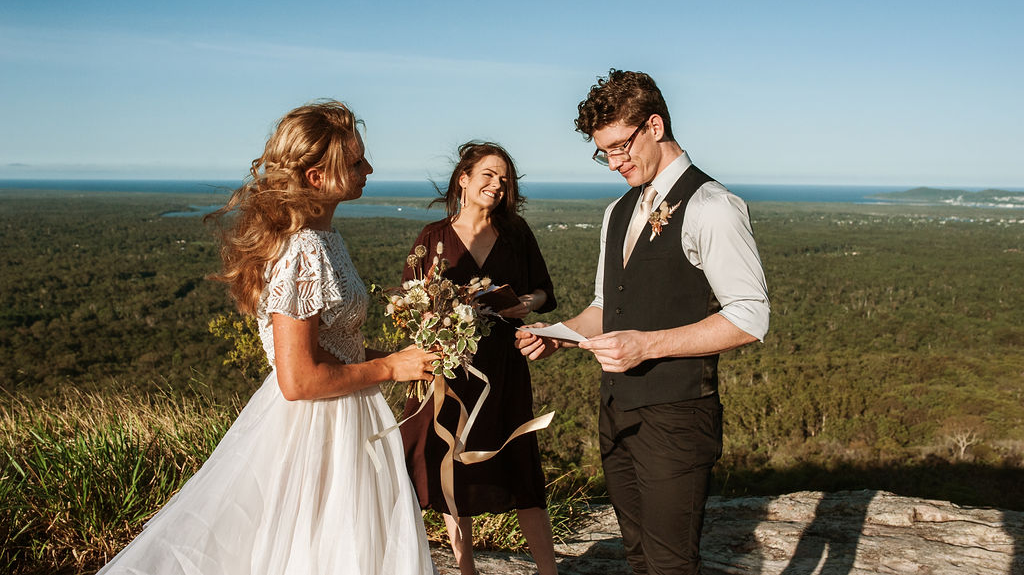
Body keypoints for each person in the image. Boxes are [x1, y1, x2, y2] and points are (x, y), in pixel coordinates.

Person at [97, 100, 438, 575]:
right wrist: (389, 368)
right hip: (316, 428)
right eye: (356, 161)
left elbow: (336, 350)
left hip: (344, 418)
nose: (369, 169)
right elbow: (298, 380)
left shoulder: (323, 237)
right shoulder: (302, 250)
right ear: (317, 177)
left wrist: (407, 358)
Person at [516, 70, 770, 575]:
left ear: (655, 125)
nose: (613, 162)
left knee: (672, 563)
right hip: (615, 410)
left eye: (620, 146)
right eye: (603, 152)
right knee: (636, 555)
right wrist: (559, 336)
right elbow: (605, 307)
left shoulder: (712, 206)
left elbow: (750, 316)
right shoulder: (618, 210)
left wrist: (646, 347)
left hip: (678, 416)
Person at [399, 141, 560, 575]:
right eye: (488, 174)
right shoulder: (432, 237)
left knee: (521, 466)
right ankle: (465, 567)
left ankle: (549, 571)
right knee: (452, 465)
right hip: (450, 370)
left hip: (505, 370)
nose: (497, 184)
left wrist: (526, 301)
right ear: (463, 180)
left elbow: (545, 290)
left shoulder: (516, 233)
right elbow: (411, 304)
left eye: (504, 179)